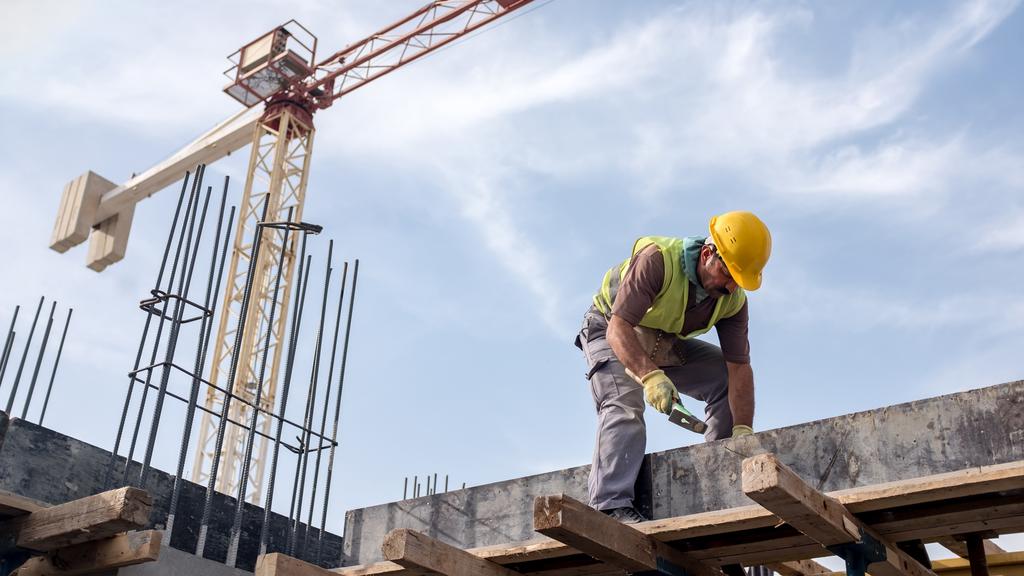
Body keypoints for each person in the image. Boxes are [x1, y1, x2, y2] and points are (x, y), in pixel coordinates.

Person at [575, 211, 772, 524]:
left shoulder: (732, 302)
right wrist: (651, 376)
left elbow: (738, 370)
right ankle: (610, 507)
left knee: (722, 379)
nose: (733, 286)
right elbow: (619, 329)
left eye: (740, 280)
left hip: (660, 340)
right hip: (609, 328)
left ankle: (722, 481)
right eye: (730, 274)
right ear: (708, 254)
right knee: (623, 406)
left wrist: (743, 431)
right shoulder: (657, 261)